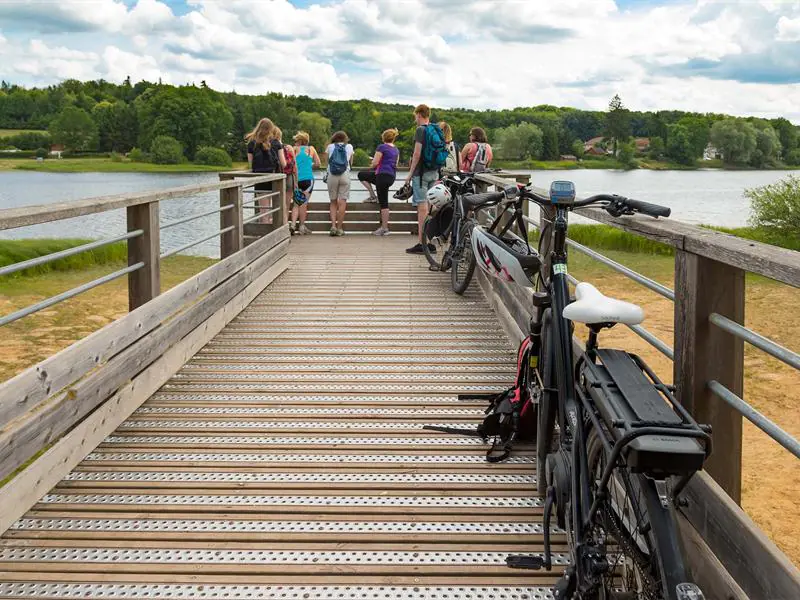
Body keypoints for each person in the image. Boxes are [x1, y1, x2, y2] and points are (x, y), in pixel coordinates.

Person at [404, 104, 441, 254]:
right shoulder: (435, 129)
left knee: (422, 208)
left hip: (421, 174)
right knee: (431, 207)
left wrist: (409, 174)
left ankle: (422, 243)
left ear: (419, 114)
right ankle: (430, 241)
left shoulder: (420, 130)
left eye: (415, 115)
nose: (415, 118)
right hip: (434, 172)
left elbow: (417, 154)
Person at [357, 128, 400, 236]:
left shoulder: (382, 147)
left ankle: (384, 228)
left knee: (384, 203)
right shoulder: (396, 150)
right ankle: (372, 196)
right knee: (362, 175)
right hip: (390, 177)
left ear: (383, 138)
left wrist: (372, 165)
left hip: (382, 176)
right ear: (393, 138)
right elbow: (396, 164)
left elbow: (375, 162)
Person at [245, 118, 286, 224]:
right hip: (275, 179)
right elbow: (283, 163)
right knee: (276, 210)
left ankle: (265, 235)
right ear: (271, 128)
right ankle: (276, 235)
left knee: (264, 212)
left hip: (260, 178)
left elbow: (250, 164)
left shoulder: (251, 143)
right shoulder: (276, 142)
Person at [291, 130, 321, 235]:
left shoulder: (294, 149)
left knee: (296, 204)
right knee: (303, 204)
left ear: (299, 141)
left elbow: (291, 164)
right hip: (308, 180)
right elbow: (318, 164)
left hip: (296, 179)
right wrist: (309, 166)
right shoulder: (311, 149)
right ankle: (302, 227)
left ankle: (293, 225)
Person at [325, 131, 354, 236]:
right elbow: (351, 163)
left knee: (333, 202)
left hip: (332, 175)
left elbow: (327, 162)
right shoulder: (349, 147)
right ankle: (340, 228)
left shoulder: (330, 146)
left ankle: (333, 226)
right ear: (345, 138)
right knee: (342, 202)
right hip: (345, 175)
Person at [274, 127, 297, 221]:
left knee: (275, 205)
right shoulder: (289, 147)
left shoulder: (269, 147)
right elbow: (295, 166)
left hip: (276, 178)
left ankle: (276, 227)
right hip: (289, 177)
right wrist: (296, 181)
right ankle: (285, 226)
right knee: (286, 205)